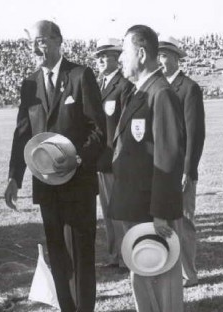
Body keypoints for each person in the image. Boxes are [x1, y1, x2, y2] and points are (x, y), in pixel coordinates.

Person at [4, 20, 106, 312]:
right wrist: (13, 178)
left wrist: (78, 157)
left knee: (80, 247)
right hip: (46, 183)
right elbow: (22, 134)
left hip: (78, 180)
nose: (38, 46)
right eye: (33, 42)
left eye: (43, 40)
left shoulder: (80, 76)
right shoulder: (30, 84)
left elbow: (98, 129)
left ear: (59, 41)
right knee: (56, 249)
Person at [110, 25, 186, 312]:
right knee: (142, 275)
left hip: (150, 207)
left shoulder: (161, 94)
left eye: (124, 52)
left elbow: (168, 158)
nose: (121, 59)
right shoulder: (140, 91)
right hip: (133, 204)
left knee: (164, 276)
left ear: (141, 53)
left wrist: (162, 212)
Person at [158, 35, 206, 287]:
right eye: (157, 55)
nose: (160, 61)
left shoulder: (188, 88)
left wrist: (188, 169)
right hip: (160, 168)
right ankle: (168, 267)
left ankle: (190, 273)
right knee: (163, 219)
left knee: (184, 220)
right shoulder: (155, 87)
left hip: (181, 169)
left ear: (177, 58)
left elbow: (195, 133)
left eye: (165, 55)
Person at [93, 38, 133, 269]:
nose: (100, 59)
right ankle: (114, 255)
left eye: (105, 55)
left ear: (116, 57)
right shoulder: (102, 85)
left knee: (120, 211)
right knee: (108, 212)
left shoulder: (123, 85)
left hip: (116, 160)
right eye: (98, 56)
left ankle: (125, 255)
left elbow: (124, 126)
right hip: (101, 160)